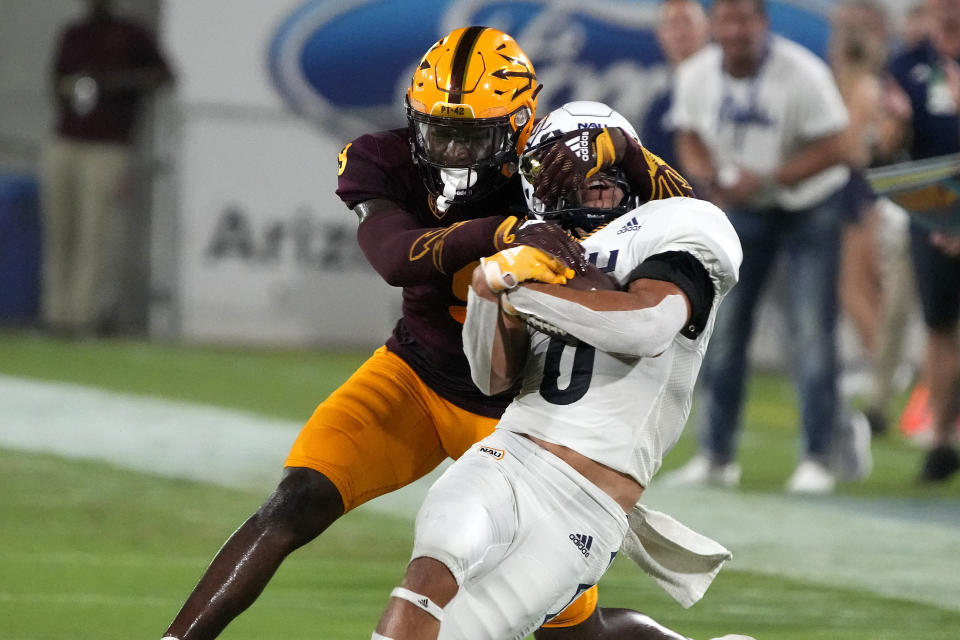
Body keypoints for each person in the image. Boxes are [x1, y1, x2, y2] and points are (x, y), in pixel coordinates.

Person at [162, 28, 706, 640]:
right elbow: (395, 256)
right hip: (415, 376)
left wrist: (629, 156)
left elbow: (687, 221)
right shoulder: (381, 158)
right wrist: (502, 233)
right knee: (295, 500)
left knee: (573, 633)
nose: (451, 151)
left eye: (473, 135)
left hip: (520, 414)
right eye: (438, 131)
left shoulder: (558, 161)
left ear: (522, 121)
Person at [372, 101, 745, 640]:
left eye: (604, 168)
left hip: (584, 505)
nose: (595, 183)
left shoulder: (680, 223)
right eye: (571, 173)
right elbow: (492, 379)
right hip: (507, 454)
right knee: (428, 572)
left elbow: (646, 327)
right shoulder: (539, 248)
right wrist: (486, 291)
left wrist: (521, 294)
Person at [663, 0, 857, 493]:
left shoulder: (803, 73)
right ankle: (716, 455)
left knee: (812, 332)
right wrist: (711, 177)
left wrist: (770, 178)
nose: (735, 30)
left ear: (762, 24)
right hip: (746, 208)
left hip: (809, 206)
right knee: (723, 331)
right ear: (715, 25)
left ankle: (818, 456)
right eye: (726, 19)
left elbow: (841, 147)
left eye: (745, 19)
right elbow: (688, 135)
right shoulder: (697, 74)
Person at [41, 0, 173, 336]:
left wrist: (116, 84)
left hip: (108, 144)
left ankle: (82, 315)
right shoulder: (73, 33)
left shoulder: (130, 35)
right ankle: (56, 313)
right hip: (67, 137)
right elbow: (55, 80)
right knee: (61, 229)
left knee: (93, 231)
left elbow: (164, 76)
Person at [887, 0, 960, 482]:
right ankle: (941, 438)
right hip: (933, 207)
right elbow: (888, 149)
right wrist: (887, 125)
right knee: (938, 322)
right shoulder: (907, 64)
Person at [641, 0, 710, 169]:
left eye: (687, 22)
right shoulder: (659, 107)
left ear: (707, 27)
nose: (680, 33)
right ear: (660, 35)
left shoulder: (733, 87)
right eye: (671, 24)